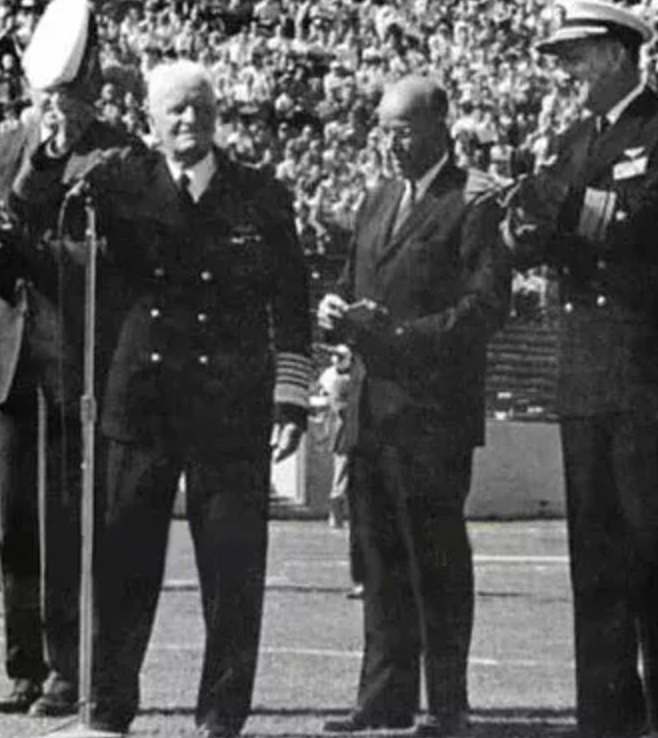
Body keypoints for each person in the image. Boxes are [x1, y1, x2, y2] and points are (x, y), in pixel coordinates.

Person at [11, 58, 313, 737]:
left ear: (217, 115)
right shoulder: (117, 183)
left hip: (228, 409)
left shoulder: (259, 194)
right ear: (149, 119)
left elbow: (290, 300)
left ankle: (220, 720)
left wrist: (290, 400)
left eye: (200, 106)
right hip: (140, 405)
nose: (189, 118)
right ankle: (109, 711)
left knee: (233, 576)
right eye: (174, 107)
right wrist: (51, 149)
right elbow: (32, 215)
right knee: (122, 566)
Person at [318, 75, 510, 738]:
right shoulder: (376, 200)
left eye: (403, 128)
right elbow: (351, 281)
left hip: (433, 415)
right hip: (375, 411)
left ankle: (447, 705)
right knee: (379, 561)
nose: (390, 142)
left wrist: (399, 336)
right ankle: (383, 699)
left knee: (436, 563)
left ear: (438, 128)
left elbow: (486, 309)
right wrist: (334, 310)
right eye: (383, 128)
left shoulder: (473, 204)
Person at [501, 2, 658, 736]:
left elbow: (634, 221)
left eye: (578, 54)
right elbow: (535, 230)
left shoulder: (654, 129)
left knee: (651, 557)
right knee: (595, 567)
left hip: (644, 375)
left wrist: (557, 202)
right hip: (586, 376)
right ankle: (605, 721)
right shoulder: (572, 139)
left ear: (622, 55)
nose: (566, 70)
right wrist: (531, 221)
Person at [0, 0, 139, 718]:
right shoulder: (6, 146)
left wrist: (50, 165)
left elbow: (93, 255)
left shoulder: (114, 154)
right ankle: (18, 662)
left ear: (92, 93)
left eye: (70, 96)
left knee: (66, 524)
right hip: (10, 360)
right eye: (46, 96)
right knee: (11, 521)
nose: (56, 109)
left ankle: (65, 665)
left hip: (76, 362)